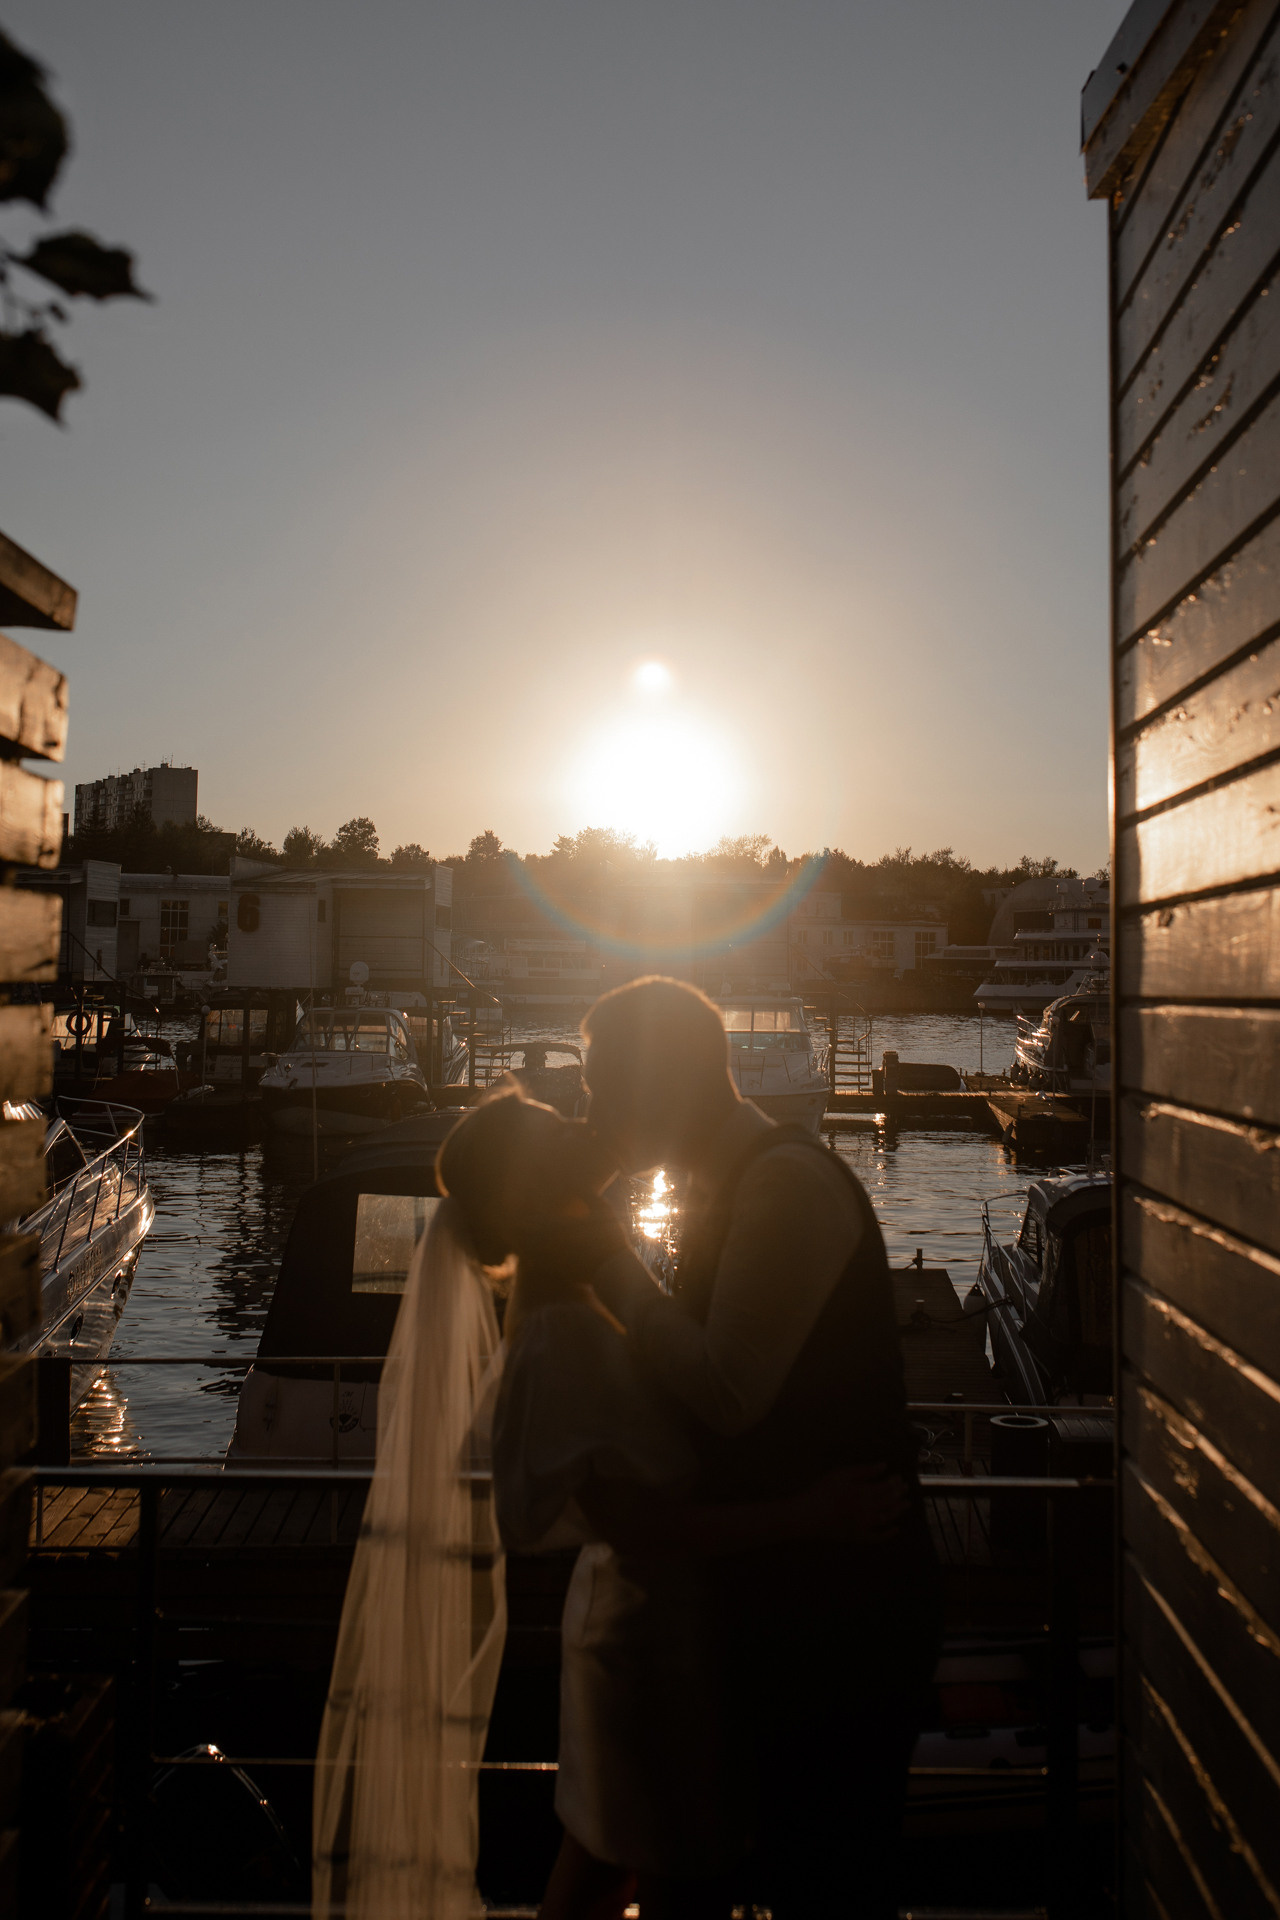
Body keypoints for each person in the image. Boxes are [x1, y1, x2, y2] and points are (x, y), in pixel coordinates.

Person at [313, 1089, 906, 1920]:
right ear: (537, 1188)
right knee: (672, 1878)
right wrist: (811, 1514)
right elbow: (642, 1525)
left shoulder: (585, 1303)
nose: (586, 1122)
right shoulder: (562, 1334)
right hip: (653, 1647)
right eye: (559, 1128)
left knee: (603, 1865)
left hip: (644, 1630)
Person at [569, 976, 944, 1920]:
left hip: (843, 1614)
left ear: (661, 1086)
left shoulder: (783, 1184)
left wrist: (606, 1259)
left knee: (832, 1879)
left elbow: (728, 1392)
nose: (591, 1108)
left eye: (602, 1083)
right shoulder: (726, 1185)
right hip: (785, 1592)